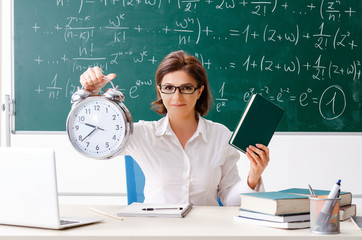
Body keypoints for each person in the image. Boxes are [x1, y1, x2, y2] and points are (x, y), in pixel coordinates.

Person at [80, 50, 269, 206]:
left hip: (205, 232)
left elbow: (231, 201)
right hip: (157, 231)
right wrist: (90, 95)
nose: (177, 97)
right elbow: (88, 139)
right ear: (160, 90)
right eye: (169, 88)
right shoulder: (142, 134)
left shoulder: (221, 136)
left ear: (199, 91)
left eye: (186, 88)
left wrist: (253, 176)